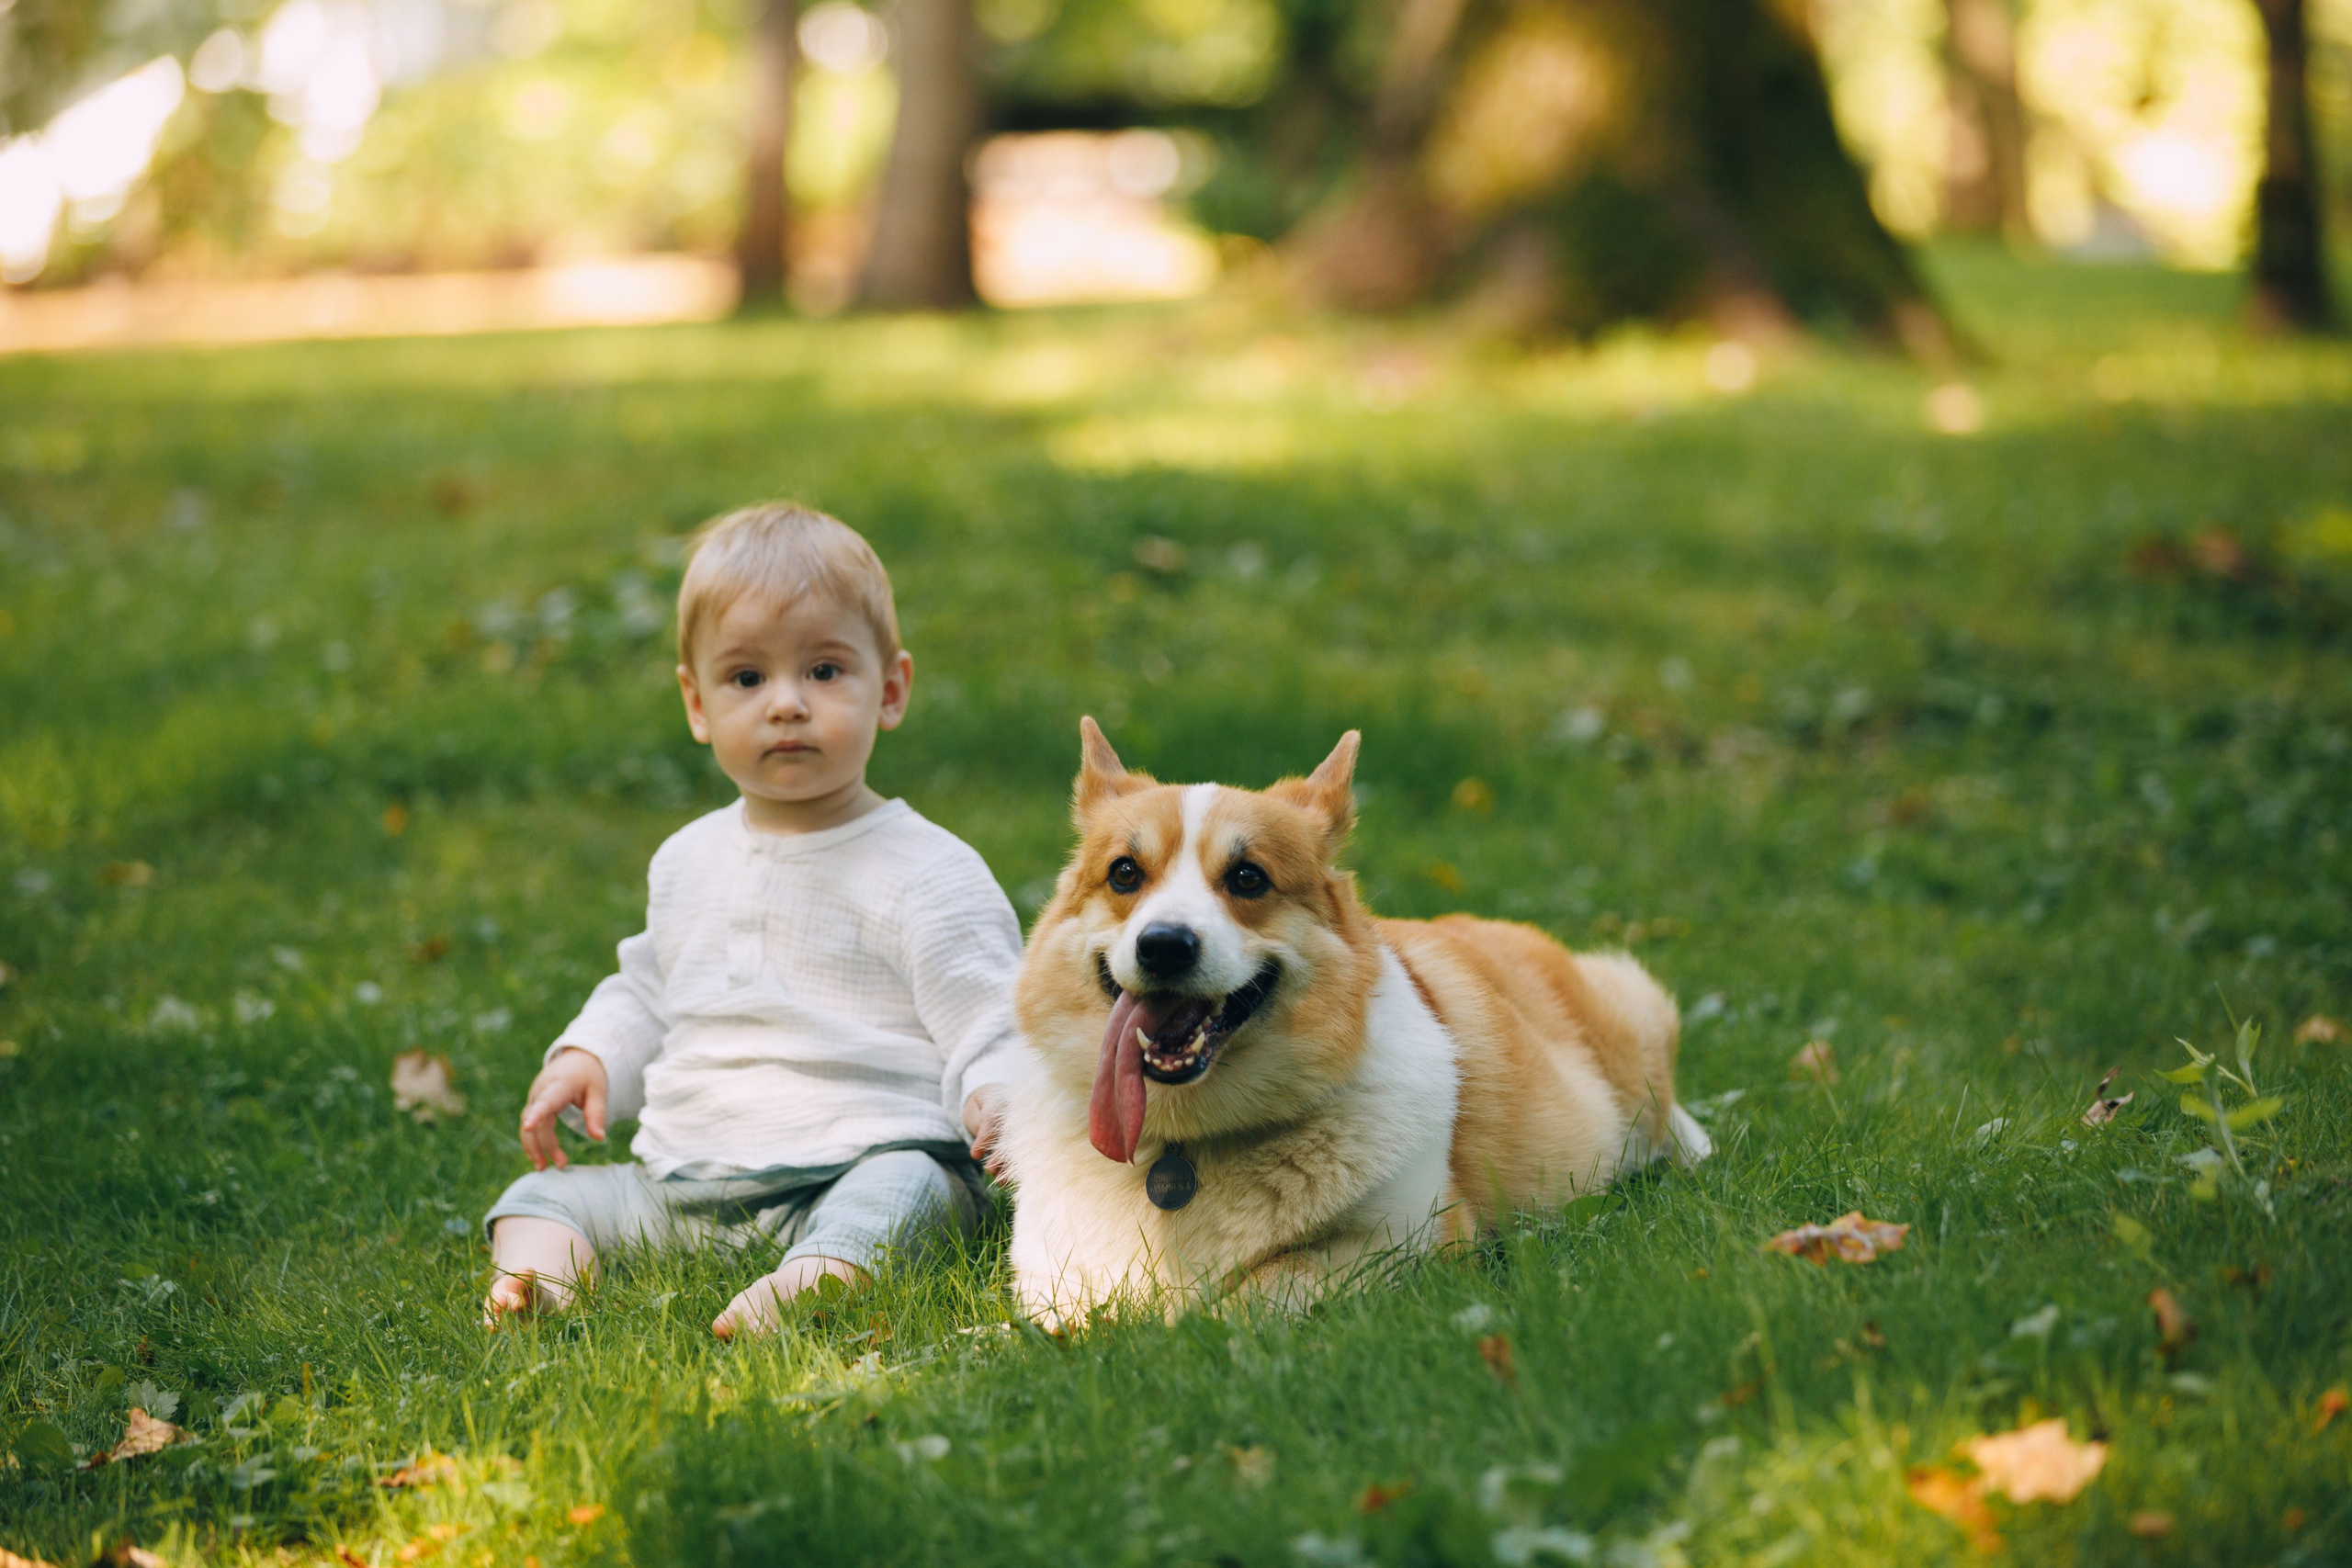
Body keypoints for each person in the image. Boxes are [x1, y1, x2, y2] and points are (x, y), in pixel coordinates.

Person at [481, 502, 1015, 1338]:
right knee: (539, 1196)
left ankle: (818, 1276)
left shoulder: (928, 870)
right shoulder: (687, 859)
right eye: (747, 678)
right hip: (691, 1182)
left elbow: (992, 1013)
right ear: (697, 704)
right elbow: (650, 988)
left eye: (825, 670)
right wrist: (590, 1055)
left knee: (914, 1190)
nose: (787, 704)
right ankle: (543, 1284)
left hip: (860, 1158)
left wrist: (997, 1096)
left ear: (891, 689)